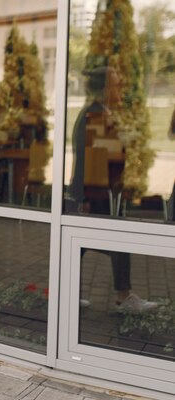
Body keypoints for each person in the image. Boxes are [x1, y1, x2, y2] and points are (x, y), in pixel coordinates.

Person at [68, 65, 156, 312]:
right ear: (106, 89)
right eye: (116, 84)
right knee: (117, 238)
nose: (120, 89)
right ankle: (123, 296)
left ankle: (66, 292)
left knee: (83, 243)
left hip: (96, 191)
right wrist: (82, 195)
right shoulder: (95, 116)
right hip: (95, 192)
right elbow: (94, 157)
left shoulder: (97, 113)